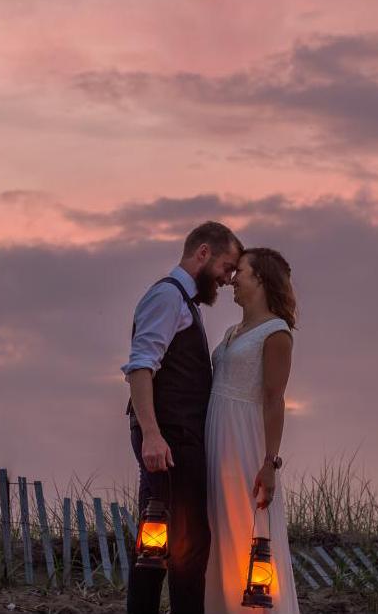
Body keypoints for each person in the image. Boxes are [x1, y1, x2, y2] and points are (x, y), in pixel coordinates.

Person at [122, 221, 244, 614]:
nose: (227, 279)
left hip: (179, 436)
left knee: (162, 541)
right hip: (171, 437)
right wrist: (153, 435)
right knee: (182, 545)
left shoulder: (184, 302)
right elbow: (141, 367)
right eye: (226, 267)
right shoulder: (168, 297)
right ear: (203, 253)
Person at [205, 247, 300, 613]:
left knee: (248, 531)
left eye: (240, 272)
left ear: (260, 278)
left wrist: (269, 462)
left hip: (246, 441)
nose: (232, 280)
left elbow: (275, 398)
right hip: (219, 438)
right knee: (220, 533)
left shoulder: (276, 333)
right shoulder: (233, 331)